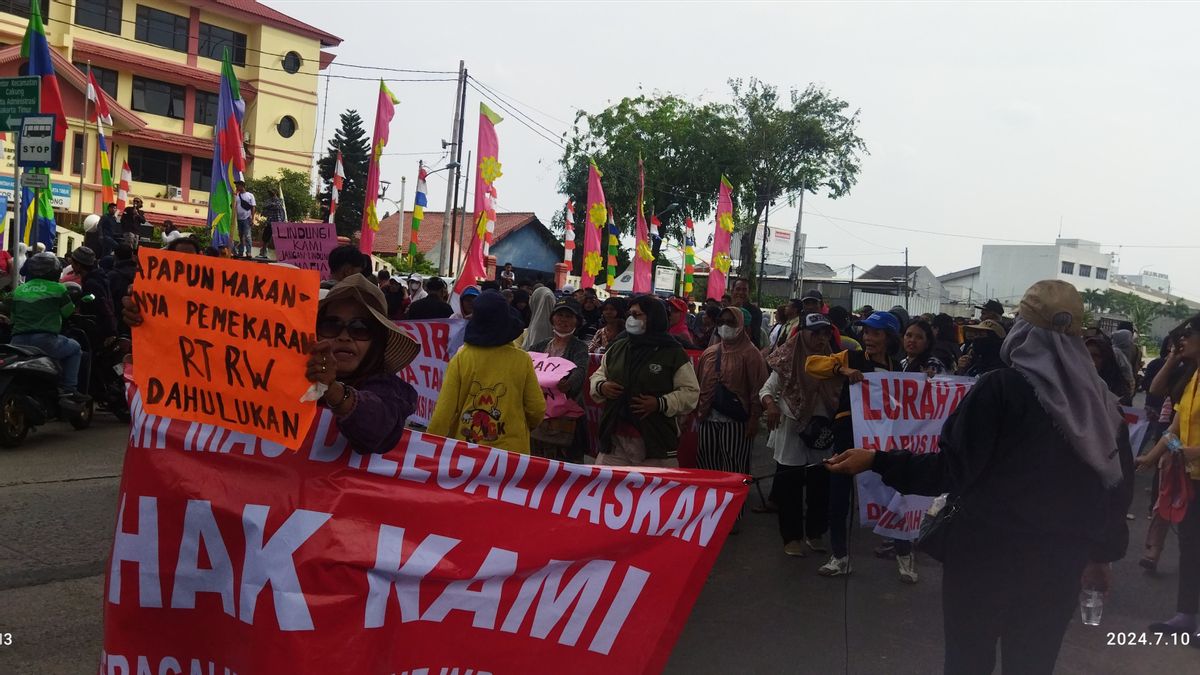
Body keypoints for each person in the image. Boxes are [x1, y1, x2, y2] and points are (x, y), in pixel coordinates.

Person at [827, 280, 1133, 675]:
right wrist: (1100, 556)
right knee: (1033, 663)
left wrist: (876, 460)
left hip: (983, 560)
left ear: (1022, 330)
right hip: (1058, 567)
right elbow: (1115, 489)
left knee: (968, 661)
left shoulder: (1001, 389)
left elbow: (950, 469)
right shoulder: (1102, 405)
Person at [806, 310, 902, 579]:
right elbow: (811, 365)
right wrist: (841, 369)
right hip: (848, 435)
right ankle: (840, 556)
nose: (868, 337)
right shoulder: (851, 357)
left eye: (876, 333)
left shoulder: (898, 368)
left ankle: (904, 551)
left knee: (894, 491)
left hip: (881, 441)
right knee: (839, 496)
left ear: (889, 338)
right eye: (866, 332)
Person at [295, 275, 420, 454]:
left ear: (377, 342)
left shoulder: (390, 390)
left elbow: (379, 429)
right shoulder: (292, 376)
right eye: (331, 325)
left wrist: (332, 390)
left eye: (360, 328)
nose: (344, 336)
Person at [1138, 314, 1200, 640]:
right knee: (1190, 547)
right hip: (1192, 477)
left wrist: (1193, 451)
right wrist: (1151, 457)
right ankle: (1186, 615)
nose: (1181, 341)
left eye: (1188, 335)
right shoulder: (1192, 379)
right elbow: (1174, 430)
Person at [761, 313, 841, 556]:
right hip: (792, 430)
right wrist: (771, 405)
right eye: (815, 333)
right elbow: (767, 389)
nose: (820, 338)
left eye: (825, 333)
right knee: (790, 487)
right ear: (803, 333)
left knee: (820, 486)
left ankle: (815, 533)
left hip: (822, 433)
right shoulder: (787, 360)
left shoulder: (834, 362)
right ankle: (791, 537)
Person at [428, 290, 545, 454]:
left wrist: (428, 447)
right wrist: (521, 426)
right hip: (512, 454)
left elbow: (443, 413)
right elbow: (537, 409)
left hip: (467, 453)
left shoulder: (461, 358)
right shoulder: (522, 359)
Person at [589, 295, 699, 467]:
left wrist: (660, 403)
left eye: (637, 314)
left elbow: (690, 392)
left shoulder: (673, 352)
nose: (631, 319)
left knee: (653, 493)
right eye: (630, 314)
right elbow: (598, 375)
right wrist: (602, 386)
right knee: (606, 489)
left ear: (653, 317)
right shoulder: (618, 347)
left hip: (655, 441)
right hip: (615, 439)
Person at [695, 307, 769, 502]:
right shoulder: (709, 353)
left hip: (736, 423)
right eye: (721, 321)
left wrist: (754, 419)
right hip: (708, 419)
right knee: (707, 464)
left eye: (730, 322)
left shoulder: (751, 354)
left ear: (741, 325)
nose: (725, 326)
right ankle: (709, 508)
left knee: (734, 467)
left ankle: (733, 512)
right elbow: (698, 385)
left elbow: (758, 389)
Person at [5, 253, 89, 407]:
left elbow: (12, 315)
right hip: (45, 341)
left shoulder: (19, 290)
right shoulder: (59, 288)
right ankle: (69, 390)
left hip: (17, 342)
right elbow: (67, 312)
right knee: (76, 348)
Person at [529, 298, 590, 462]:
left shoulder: (580, 348)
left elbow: (581, 370)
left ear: (577, 321)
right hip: (538, 415)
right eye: (560, 315)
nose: (563, 320)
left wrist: (569, 384)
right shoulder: (538, 347)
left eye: (569, 316)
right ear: (552, 319)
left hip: (566, 420)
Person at [69, 246, 117, 345]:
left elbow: (102, 303)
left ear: (79, 265)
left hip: (97, 332)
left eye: (73, 263)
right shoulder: (98, 278)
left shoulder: (92, 283)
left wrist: (111, 332)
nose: (71, 266)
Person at [1086, 332, 1133, 403]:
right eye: (1086, 354)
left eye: (1095, 356)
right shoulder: (1076, 380)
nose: (1090, 359)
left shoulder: (1118, 388)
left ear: (1106, 358)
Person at [108, 245, 138, 337]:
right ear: (132, 255)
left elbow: (108, 299)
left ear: (115, 257)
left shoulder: (112, 276)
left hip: (118, 320)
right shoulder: (141, 273)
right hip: (139, 321)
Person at [730, 278, 764, 347]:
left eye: (744, 290)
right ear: (732, 291)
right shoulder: (726, 311)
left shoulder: (755, 312)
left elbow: (753, 337)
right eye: (738, 289)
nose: (741, 292)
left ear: (748, 293)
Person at [258, 189, 286, 259]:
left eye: (272, 192)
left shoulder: (279, 200)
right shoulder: (268, 200)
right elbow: (264, 206)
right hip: (270, 222)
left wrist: (269, 206)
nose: (270, 193)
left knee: (279, 239)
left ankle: (282, 255)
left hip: (278, 222)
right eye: (269, 192)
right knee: (265, 237)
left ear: (276, 192)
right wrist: (271, 206)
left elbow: (278, 206)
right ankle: (263, 252)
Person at [234, 180, 256, 257]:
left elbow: (253, 207)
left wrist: (253, 218)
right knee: (240, 236)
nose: (236, 187)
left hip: (247, 218)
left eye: (237, 186)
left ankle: (249, 252)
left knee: (247, 236)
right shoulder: (236, 196)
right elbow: (232, 206)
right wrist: (234, 197)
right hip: (239, 219)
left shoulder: (250, 195)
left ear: (242, 186)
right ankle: (241, 251)